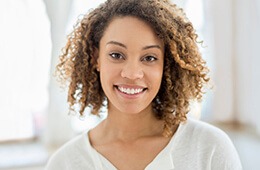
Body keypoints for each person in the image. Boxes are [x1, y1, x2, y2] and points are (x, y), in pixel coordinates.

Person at [46, 0, 242, 169]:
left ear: (166, 64)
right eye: (116, 55)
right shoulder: (65, 163)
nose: (132, 74)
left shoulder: (209, 148)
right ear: (96, 59)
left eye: (149, 57)